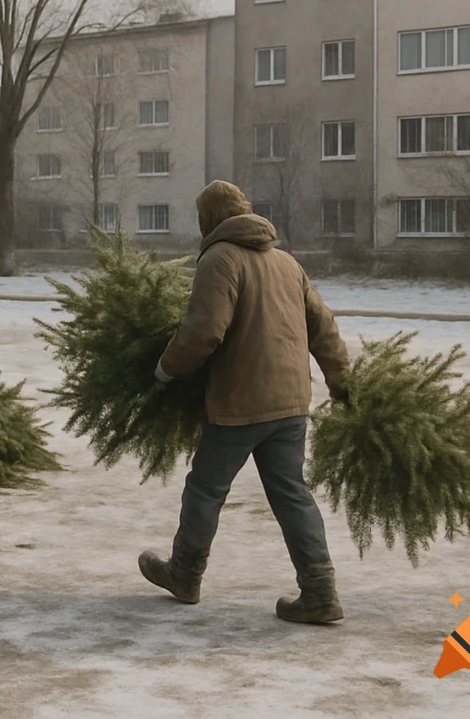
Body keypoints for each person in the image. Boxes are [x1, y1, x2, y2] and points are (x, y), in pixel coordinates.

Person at [138, 179, 352, 624]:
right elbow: (323, 326)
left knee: (206, 488)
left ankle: (184, 573)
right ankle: (320, 590)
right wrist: (341, 379)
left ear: (211, 220)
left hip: (241, 401)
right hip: (292, 402)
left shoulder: (221, 259)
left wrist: (165, 370)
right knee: (292, 494)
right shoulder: (286, 263)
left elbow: (203, 331)